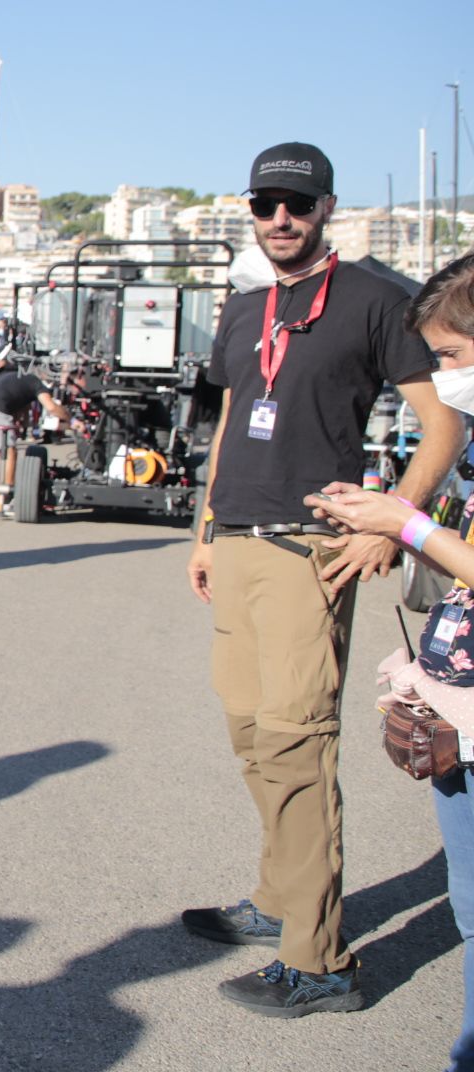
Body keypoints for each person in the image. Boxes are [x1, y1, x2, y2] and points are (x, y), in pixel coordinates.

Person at [182, 141, 459, 1017]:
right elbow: (232, 415)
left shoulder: (376, 301)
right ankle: (278, 901)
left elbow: (443, 423)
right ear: (251, 210)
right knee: (252, 736)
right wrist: (203, 530)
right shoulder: (246, 304)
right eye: (266, 204)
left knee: (299, 743)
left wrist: (398, 526)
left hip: (312, 548)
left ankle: (322, 961)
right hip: (238, 542)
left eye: (297, 205)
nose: (281, 220)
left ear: (327, 208)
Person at [305, 249, 474, 1067]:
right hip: (453, 709)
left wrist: (402, 524)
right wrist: (386, 523)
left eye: (449, 357)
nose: (439, 378)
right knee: (471, 909)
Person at [0, 368, 72, 511]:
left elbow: (16, 403)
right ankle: (8, 498)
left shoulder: (11, 377)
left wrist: (18, 421)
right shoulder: (35, 382)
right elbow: (51, 407)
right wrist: (70, 419)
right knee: (10, 452)